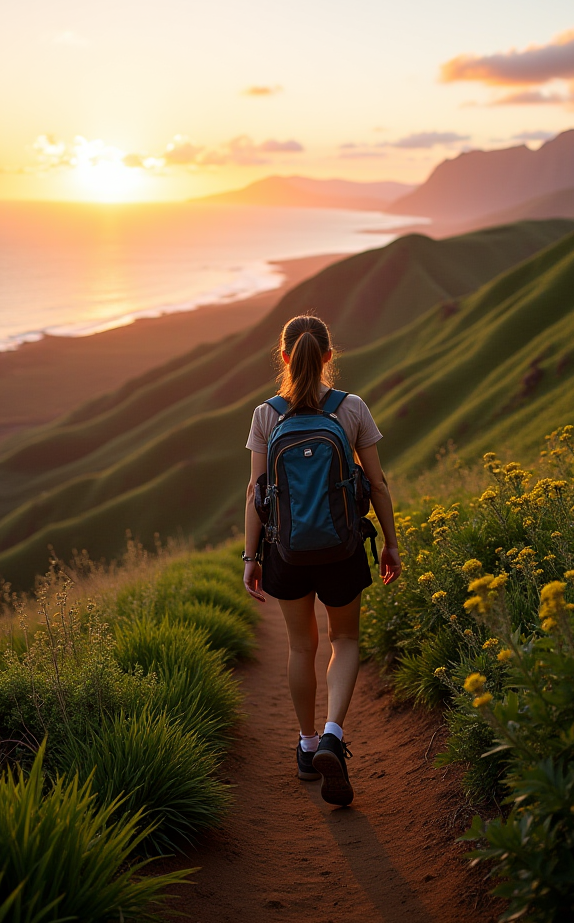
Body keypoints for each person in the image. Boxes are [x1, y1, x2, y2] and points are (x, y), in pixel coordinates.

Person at [243, 314, 401, 806]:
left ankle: (308, 746)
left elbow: (255, 490)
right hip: (343, 547)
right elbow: (376, 484)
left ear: (285, 357)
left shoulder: (266, 415)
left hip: (286, 552)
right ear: (330, 356)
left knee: (299, 647)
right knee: (345, 638)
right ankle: (334, 731)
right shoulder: (351, 409)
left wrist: (252, 556)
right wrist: (392, 544)